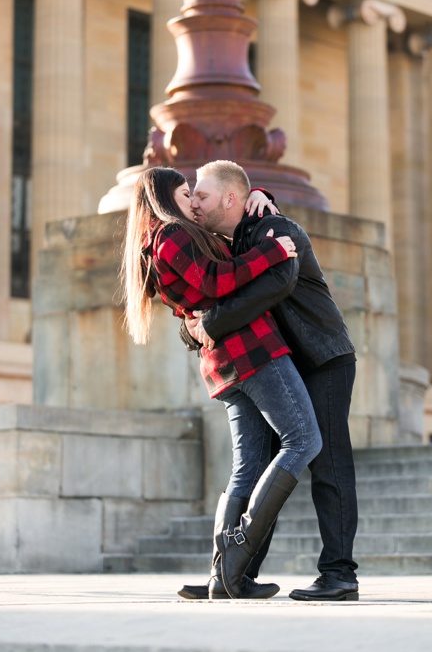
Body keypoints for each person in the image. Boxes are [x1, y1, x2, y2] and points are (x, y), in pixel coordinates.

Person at [120, 166, 322, 600]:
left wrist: (260, 194)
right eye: (185, 193)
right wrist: (271, 252)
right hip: (251, 351)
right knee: (304, 440)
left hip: (227, 362)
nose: (193, 200)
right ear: (164, 198)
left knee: (248, 465)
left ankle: (222, 577)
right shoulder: (169, 237)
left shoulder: (169, 238)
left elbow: (215, 274)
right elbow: (216, 281)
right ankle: (238, 551)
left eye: (196, 193)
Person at [179, 159, 359, 602]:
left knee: (328, 463)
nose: (195, 203)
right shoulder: (227, 241)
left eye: (201, 195)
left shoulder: (278, 231)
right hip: (279, 364)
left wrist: (211, 324)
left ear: (229, 199)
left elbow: (272, 287)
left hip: (323, 358)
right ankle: (234, 573)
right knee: (258, 467)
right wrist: (193, 326)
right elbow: (201, 298)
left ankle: (340, 575)